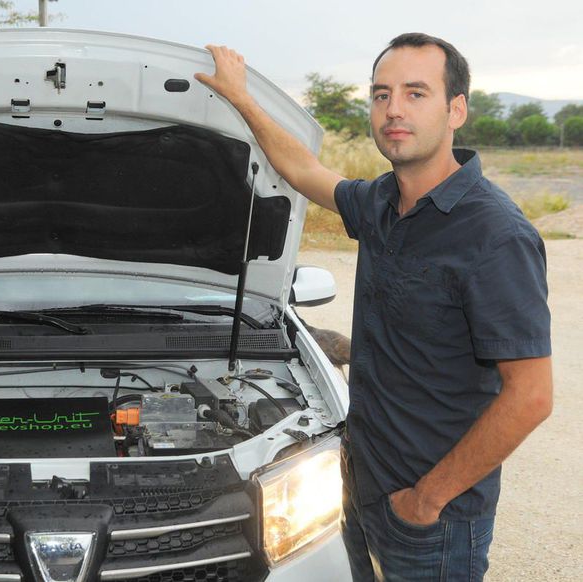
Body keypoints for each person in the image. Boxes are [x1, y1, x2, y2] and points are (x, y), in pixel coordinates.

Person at [196, 33, 553, 581]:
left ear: (456, 109)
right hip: (361, 487)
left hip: (431, 518)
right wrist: (242, 98)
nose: (394, 110)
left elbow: (531, 397)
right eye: (382, 95)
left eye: (416, 93)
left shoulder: (495, 235)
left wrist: (426, 500)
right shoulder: (382, 202)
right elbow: (304, 170)